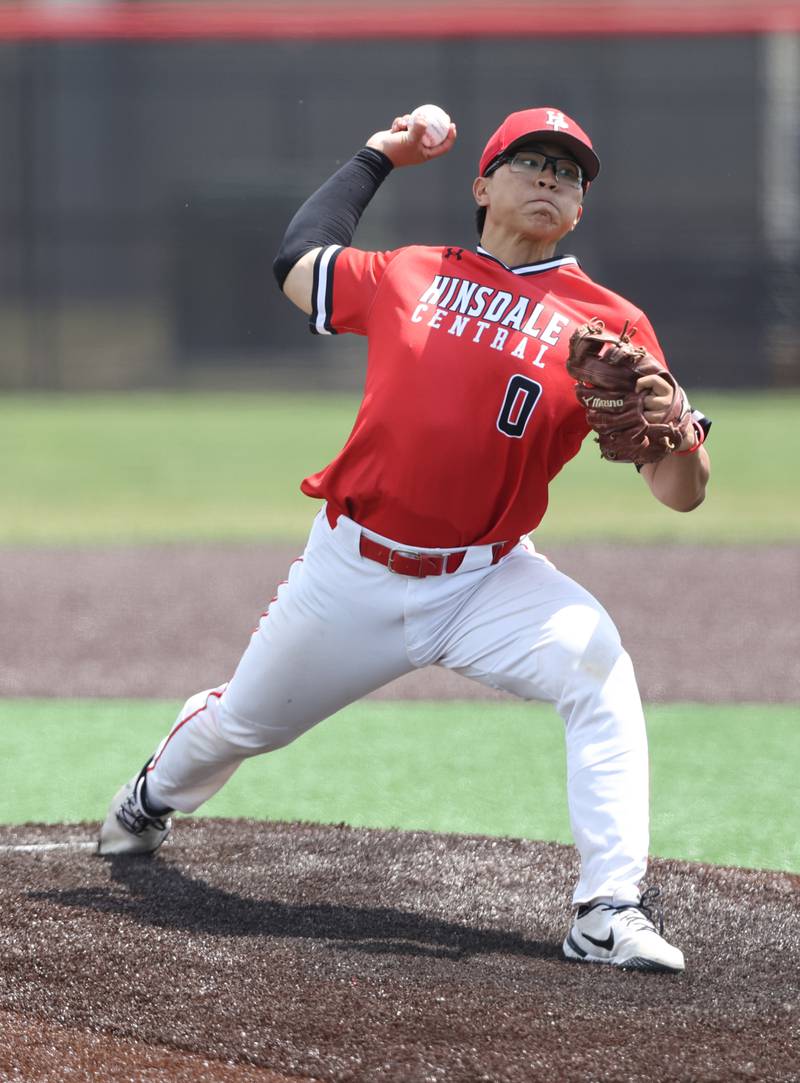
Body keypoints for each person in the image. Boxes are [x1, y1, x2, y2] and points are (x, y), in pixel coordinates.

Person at [98, 105, 711, 974]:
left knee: (598, 665)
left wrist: (680, 431)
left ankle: (608, 908)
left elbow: (678, 494)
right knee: (244, 722)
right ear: (482, 184)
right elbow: (296, 261)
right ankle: (150, 797)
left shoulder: (612, 324)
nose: (549, 177)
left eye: (569, 173)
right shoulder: (411, 271)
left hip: (488, 581)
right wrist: (378, 155)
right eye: (529, 160)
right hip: (354, 572)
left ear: (579, 210)